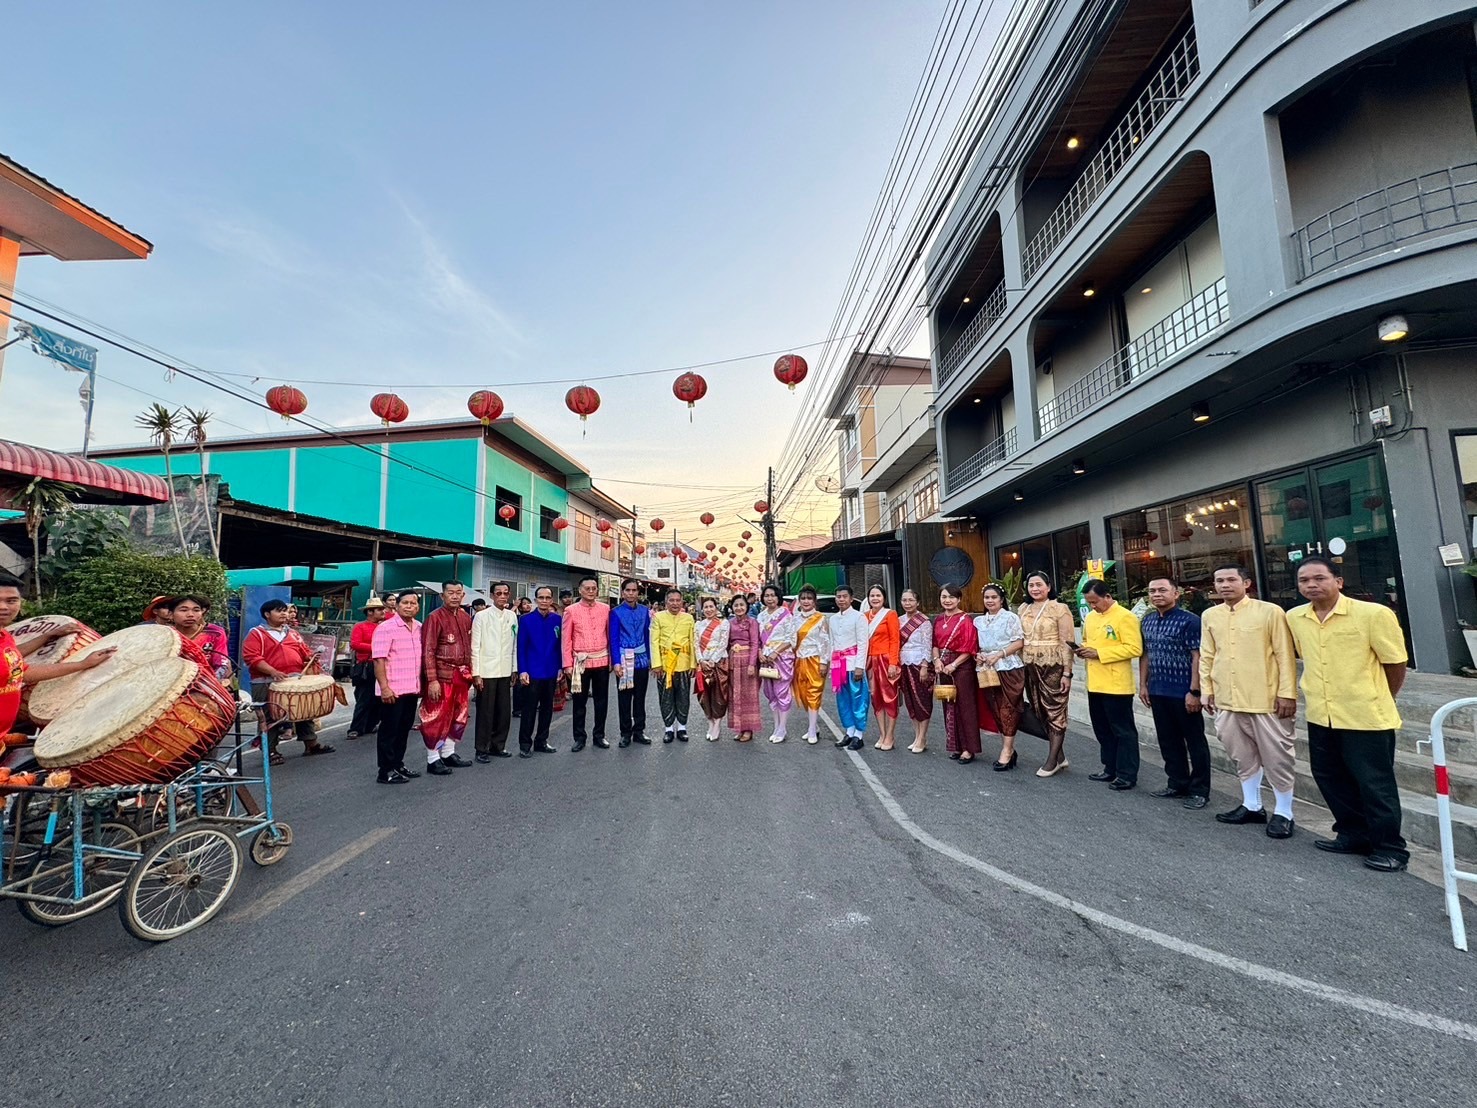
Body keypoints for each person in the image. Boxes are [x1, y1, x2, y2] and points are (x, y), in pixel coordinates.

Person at [1287, 557, 1410, 872]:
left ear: (1338, 581)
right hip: (1321, 713)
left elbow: (1395, 662)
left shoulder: (1373, 614)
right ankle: (1353, 834)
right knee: (1329, 776)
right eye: (1304, 580)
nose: (1311, 585)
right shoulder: (1295, 617)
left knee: (1374, 783)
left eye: (1319, 578)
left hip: (1365, 715)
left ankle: (1390, 848)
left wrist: (1382, 695)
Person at [1201, 564, 1299, 839]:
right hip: (1227, 698)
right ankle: (1252, 805)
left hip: (1265, 699)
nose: (1224, 585)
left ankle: (1284, 812)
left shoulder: (1270, 612)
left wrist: (1287, 693)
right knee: (1241, 756)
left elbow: (1284, 655)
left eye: (1231, 580)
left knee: (1277, 757)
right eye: (1219, 581)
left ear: (1246, 583)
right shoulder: (1210, 615)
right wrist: (1206, 689)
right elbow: (1208, 655)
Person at [0, 573, 116, 735]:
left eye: (11, 600)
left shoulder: (5, 636)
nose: (3, 607)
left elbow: (21, 670)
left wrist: (83, 663)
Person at [1138, 577, 1210, 809]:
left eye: (1162, 590)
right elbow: (1145, 654)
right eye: (1152, 591)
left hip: (1184, 692)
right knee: (1168, 740)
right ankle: (1177, 782)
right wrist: (1143, 684)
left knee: (1195, 742)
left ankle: (1199, 790)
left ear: (1176, 593)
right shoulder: (1147, 621)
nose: (1157, 594)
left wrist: (1195, 691)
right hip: (1158, 690)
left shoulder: (1190, 621)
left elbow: (1197, 657)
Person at [243, 598, 335, 766]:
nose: (284, 614)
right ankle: (270, 750)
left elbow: (304, 652)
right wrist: (273, 671)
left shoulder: (293, 633)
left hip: (294, 680)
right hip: (266, 681)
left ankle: (311, 744)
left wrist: (311, 657)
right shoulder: (257, 633)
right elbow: (252, 657)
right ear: (267, 614)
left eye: (285, 610)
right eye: (279, 611)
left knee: (305, 711)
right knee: (270, 716)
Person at [1077, 580, 1143, 791]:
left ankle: (1127, 774)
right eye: (1089, 603)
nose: (1093, 606)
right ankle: (1110, 767)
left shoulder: (1125, 616)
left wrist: (1100, 653)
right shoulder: (1090, 617)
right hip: (1095, 682)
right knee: (1102, 729)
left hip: (1116, 684)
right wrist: (1083, 649)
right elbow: (1087, 640)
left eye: (1095, 602)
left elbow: (1134, 648)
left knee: (1123, 731)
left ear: (1107, 596)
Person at [1019, 571, 1075, 777]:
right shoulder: (1023, 609)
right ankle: (1060, 756)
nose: (1034, 589)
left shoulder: (1059, 608)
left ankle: (1052, 761)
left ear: (1049, 587)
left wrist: (1067, 673)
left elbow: (1067, 642)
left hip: (1053, 665)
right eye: (1031, 585)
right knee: (1038, 710)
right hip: (1029, 664)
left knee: (1055, 711)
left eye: (1039, 585)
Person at [420, 581, 475, 774]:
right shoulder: (434, 617)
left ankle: (448, 752)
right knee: (437, 716)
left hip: (462, 675)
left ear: (463, 595)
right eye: (450, 592)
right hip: (442, 676)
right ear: (442, 596)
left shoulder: (465, 617)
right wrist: (432, 680)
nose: (455, 596)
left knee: (459, 715)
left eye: (458, 592)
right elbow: (428, 651)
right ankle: (432, 758)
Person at [372, 591, 425, 784]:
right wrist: (384, 688)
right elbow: (378, 660)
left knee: (403, 729)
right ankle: (385, 771)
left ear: (418, 607)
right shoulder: (385, 628)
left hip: (411, 689)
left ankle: (398, 765)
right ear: (396, 606)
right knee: (389, 731)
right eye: (405, 603)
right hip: (392, 690)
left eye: (413, 603)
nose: (409, 606)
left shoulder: (419, 627)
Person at [974, 583, 1026, 771]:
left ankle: (1007, 750)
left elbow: (1019, 642)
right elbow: (976, 645)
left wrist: (1000, 654)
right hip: (987, 668)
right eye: (987, 597)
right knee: (995, 708)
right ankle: (1008, 748)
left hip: (1008, 666)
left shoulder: (1010, 618)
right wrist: (978, 655)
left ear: (1001, 599)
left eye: (994, 597)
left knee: (1008, 708)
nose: (990, 601)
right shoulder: (978, 621)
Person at [563, 575, 612, 751]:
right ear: (580, 590)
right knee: (579, 702)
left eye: (594, 588)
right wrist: (567, 664)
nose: (591, 591)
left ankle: (599, 736)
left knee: (601, 701)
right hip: (580, 663)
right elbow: (566, 639)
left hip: (602, 660)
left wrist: (612, 660)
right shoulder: (570, 610)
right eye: (587, 588)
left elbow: (610, 635)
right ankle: (579, 738)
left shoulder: (606, 609)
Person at [933, 584, 980, 764]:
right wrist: (936, 661)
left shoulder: (965, 620)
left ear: (959, 599)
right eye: (944, 597)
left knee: (965, 708)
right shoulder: (938, 619)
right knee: (948, 706)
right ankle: (955, 745)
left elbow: (970, 647)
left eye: (952, 597)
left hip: (961, 668)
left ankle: (969, 748)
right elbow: (934, 644)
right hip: (943, 667)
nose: (948, 600)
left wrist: (953, 664)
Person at [472, 581, 519, 763]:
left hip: (505, 669)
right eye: (498, 593)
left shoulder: (512, 616)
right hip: (486, 671)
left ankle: (498, 745)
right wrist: (476, 673)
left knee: (503, 712)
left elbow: (514, 644)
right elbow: (475, 646)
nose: (502, 596)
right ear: (492, 596)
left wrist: (514, 668)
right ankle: (481, 748)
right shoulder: (481, 616)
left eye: (505, 593)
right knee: (485, 712)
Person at [516, 585, 562, 756]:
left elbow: (559, 646)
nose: (544, 601)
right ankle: (525, 744)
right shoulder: (526, 620)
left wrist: (560, 667)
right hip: (532, 672)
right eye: (541, 598)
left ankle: (542, 741)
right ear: (535, 600)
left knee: (547, 709)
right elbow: (521, 647)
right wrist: (522, 670)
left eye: (547, 598)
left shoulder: (557, 620)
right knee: (529, 709)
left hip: (551, 670)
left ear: (551, 600)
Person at [611, 578, 654, 748]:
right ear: (622, 593)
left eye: (634, 590)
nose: (631, 593)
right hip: (624, 660)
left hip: (642, 659)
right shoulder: (615, 612)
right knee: (624, 698)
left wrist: (651, 659)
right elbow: (614, 639)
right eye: (627, 590)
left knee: (640, 697)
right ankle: (625, 733)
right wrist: (616, 662)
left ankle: (639, 731)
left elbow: (648, 636)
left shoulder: (645, 611)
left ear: (638, 593)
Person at [650, 587, 696, 743]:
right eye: (672, 600)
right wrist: (656, 664)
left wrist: (693, 664)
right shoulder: (658, 617)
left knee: (683, 696)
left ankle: (682, 727)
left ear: (682, 602)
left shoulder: (689, 618)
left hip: (683, 663)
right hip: (665, 665)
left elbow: (692, 641)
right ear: (666, 602)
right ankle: (668, 728)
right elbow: (654, 641)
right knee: (666, 697)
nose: (675, 603)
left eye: (678, 600)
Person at [829, 584, 870, 751]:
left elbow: (863, 643)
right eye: (838, 596)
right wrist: (832, 665)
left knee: (858, 698)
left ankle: (858, 735)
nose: (841, 599)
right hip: (838, 664)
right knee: (843, 700)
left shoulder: (859, 617)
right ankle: (849, 731)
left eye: (844, 596)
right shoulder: (832, 619)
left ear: (851, 599)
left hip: (853, 663)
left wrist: (860, 666)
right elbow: (832, 643)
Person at [790, 586, 830, 744]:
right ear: (799, 601)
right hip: (799, 659)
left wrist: (824, 662)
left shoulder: (820, 618)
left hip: (814, 659)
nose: (806, 601)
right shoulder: (795, 619)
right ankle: (814, 726)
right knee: (803, 694)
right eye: (803, 598)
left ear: (814, 601)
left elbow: (825, 641)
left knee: (814, 693)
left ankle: (812, 729)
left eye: (809, 598)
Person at [756, 584, 796, 743]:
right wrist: (760, 652)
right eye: (767, 595)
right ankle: (776, 726)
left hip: (781, 658)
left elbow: (791, 638)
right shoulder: (760, 616)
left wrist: (776, 652)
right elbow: (758, 640)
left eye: (773, 595)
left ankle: (782, 728)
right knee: (770, 693)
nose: (770, 598)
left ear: (778, 597)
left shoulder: (786, 614)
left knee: (782, 692)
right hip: (766, 660)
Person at [864, 586, 902, 751]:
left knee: (889, 697)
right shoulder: (865, 616)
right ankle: (882, 733)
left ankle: (890, 735)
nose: (875, 598)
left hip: (886, 660)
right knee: (876, 697)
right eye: (872, 595)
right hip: (870, 661)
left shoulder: (890, 614)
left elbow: (895, 640)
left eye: (878, 595)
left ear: (884, 598)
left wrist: (893, 663)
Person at [897, 588, 934, 753]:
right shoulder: (899, 620)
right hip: (904, 663)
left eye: (911, 600)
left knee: (922, 701)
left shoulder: (924, 622)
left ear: (917, 602)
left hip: (920, 664)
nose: (907, 603)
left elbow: (928, 645)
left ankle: (922, 737)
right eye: (904, 600)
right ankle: (917, 735)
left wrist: (925, 666)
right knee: (910, 700)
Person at [348, 597, 387, 739]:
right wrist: (377, 648)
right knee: (363, 698)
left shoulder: (384, 626)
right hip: (366, 666)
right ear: (370, 612)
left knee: (378, 698)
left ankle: (370, 724)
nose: (383, 612)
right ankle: (356, 728)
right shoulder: (360, 626)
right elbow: (355, 644)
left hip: (381, 664)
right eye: (379, 609)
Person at [170, 594, 232, 681]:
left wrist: (211, 682)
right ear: (171, 614)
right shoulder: (165, 634)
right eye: (183, 610)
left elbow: (222, 664)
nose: (190, 614)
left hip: (207, 682)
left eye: (196, 610)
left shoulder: (215, 633)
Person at [726, 595, 762, 742]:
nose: (739, 608)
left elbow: (755, 643)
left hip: (747, 661)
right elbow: (726, 643)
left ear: (747, 606)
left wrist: (752, 664)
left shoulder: (752, 622)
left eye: (742, 605)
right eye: (736, 605)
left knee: (749, 696)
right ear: (732, 607)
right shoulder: (729, 623)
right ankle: (739, 728)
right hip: (733, 661)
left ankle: (748, 729)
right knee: (735, 695)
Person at [694, 596, 730, 741]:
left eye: (711, 606)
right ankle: (710, 722)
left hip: (719, 663)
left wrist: (712, 661)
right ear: (702, 610)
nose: (709, 610)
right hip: (703, 664)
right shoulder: (698, 625)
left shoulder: (723, 623)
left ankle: (717, 724)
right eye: (706, 607)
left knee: (719, 695)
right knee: (703, 695)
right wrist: (701, 660)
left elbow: (723, 643)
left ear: (716, 608)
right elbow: (695, 644)